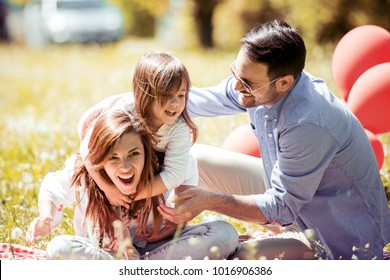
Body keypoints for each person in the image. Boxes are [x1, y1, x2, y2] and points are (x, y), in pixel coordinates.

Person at [157, 19, 390, 260]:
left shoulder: (307, 123)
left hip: (334, 234)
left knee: (239, 258)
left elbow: (282, 207)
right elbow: (197, 100)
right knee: (195, 158)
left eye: (247, 83)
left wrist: (210, 202)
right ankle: (154, 234)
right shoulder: (264, 84)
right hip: (292, 194)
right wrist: (134, 106)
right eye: (236, 73)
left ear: (284, 82)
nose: (237, 86)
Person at [25, 110, 238, 260]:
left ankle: (136, 270)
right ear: (100, 159)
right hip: (105, 254)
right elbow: (51, 187)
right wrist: (46, 217)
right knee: (60, 248)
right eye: (113, 157)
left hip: (157, 250)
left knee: (225, 234)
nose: (125, 167)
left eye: (134, 154)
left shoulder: (166, 171)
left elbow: (187, 188)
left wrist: (170, 228)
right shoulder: (85, 173)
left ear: (147, 152)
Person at [78, 51, 199, 209]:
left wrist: (133, 194)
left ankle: (177, 218)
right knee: (80, 166)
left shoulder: (178, 128)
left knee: (189, 163)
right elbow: (87, 148)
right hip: (112, 154)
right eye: (166, 95)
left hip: (145, 165)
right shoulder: (124, 112)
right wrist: (107, 189)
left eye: (181, 95)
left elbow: (174, 174)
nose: (175, 103)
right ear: (146, 94)